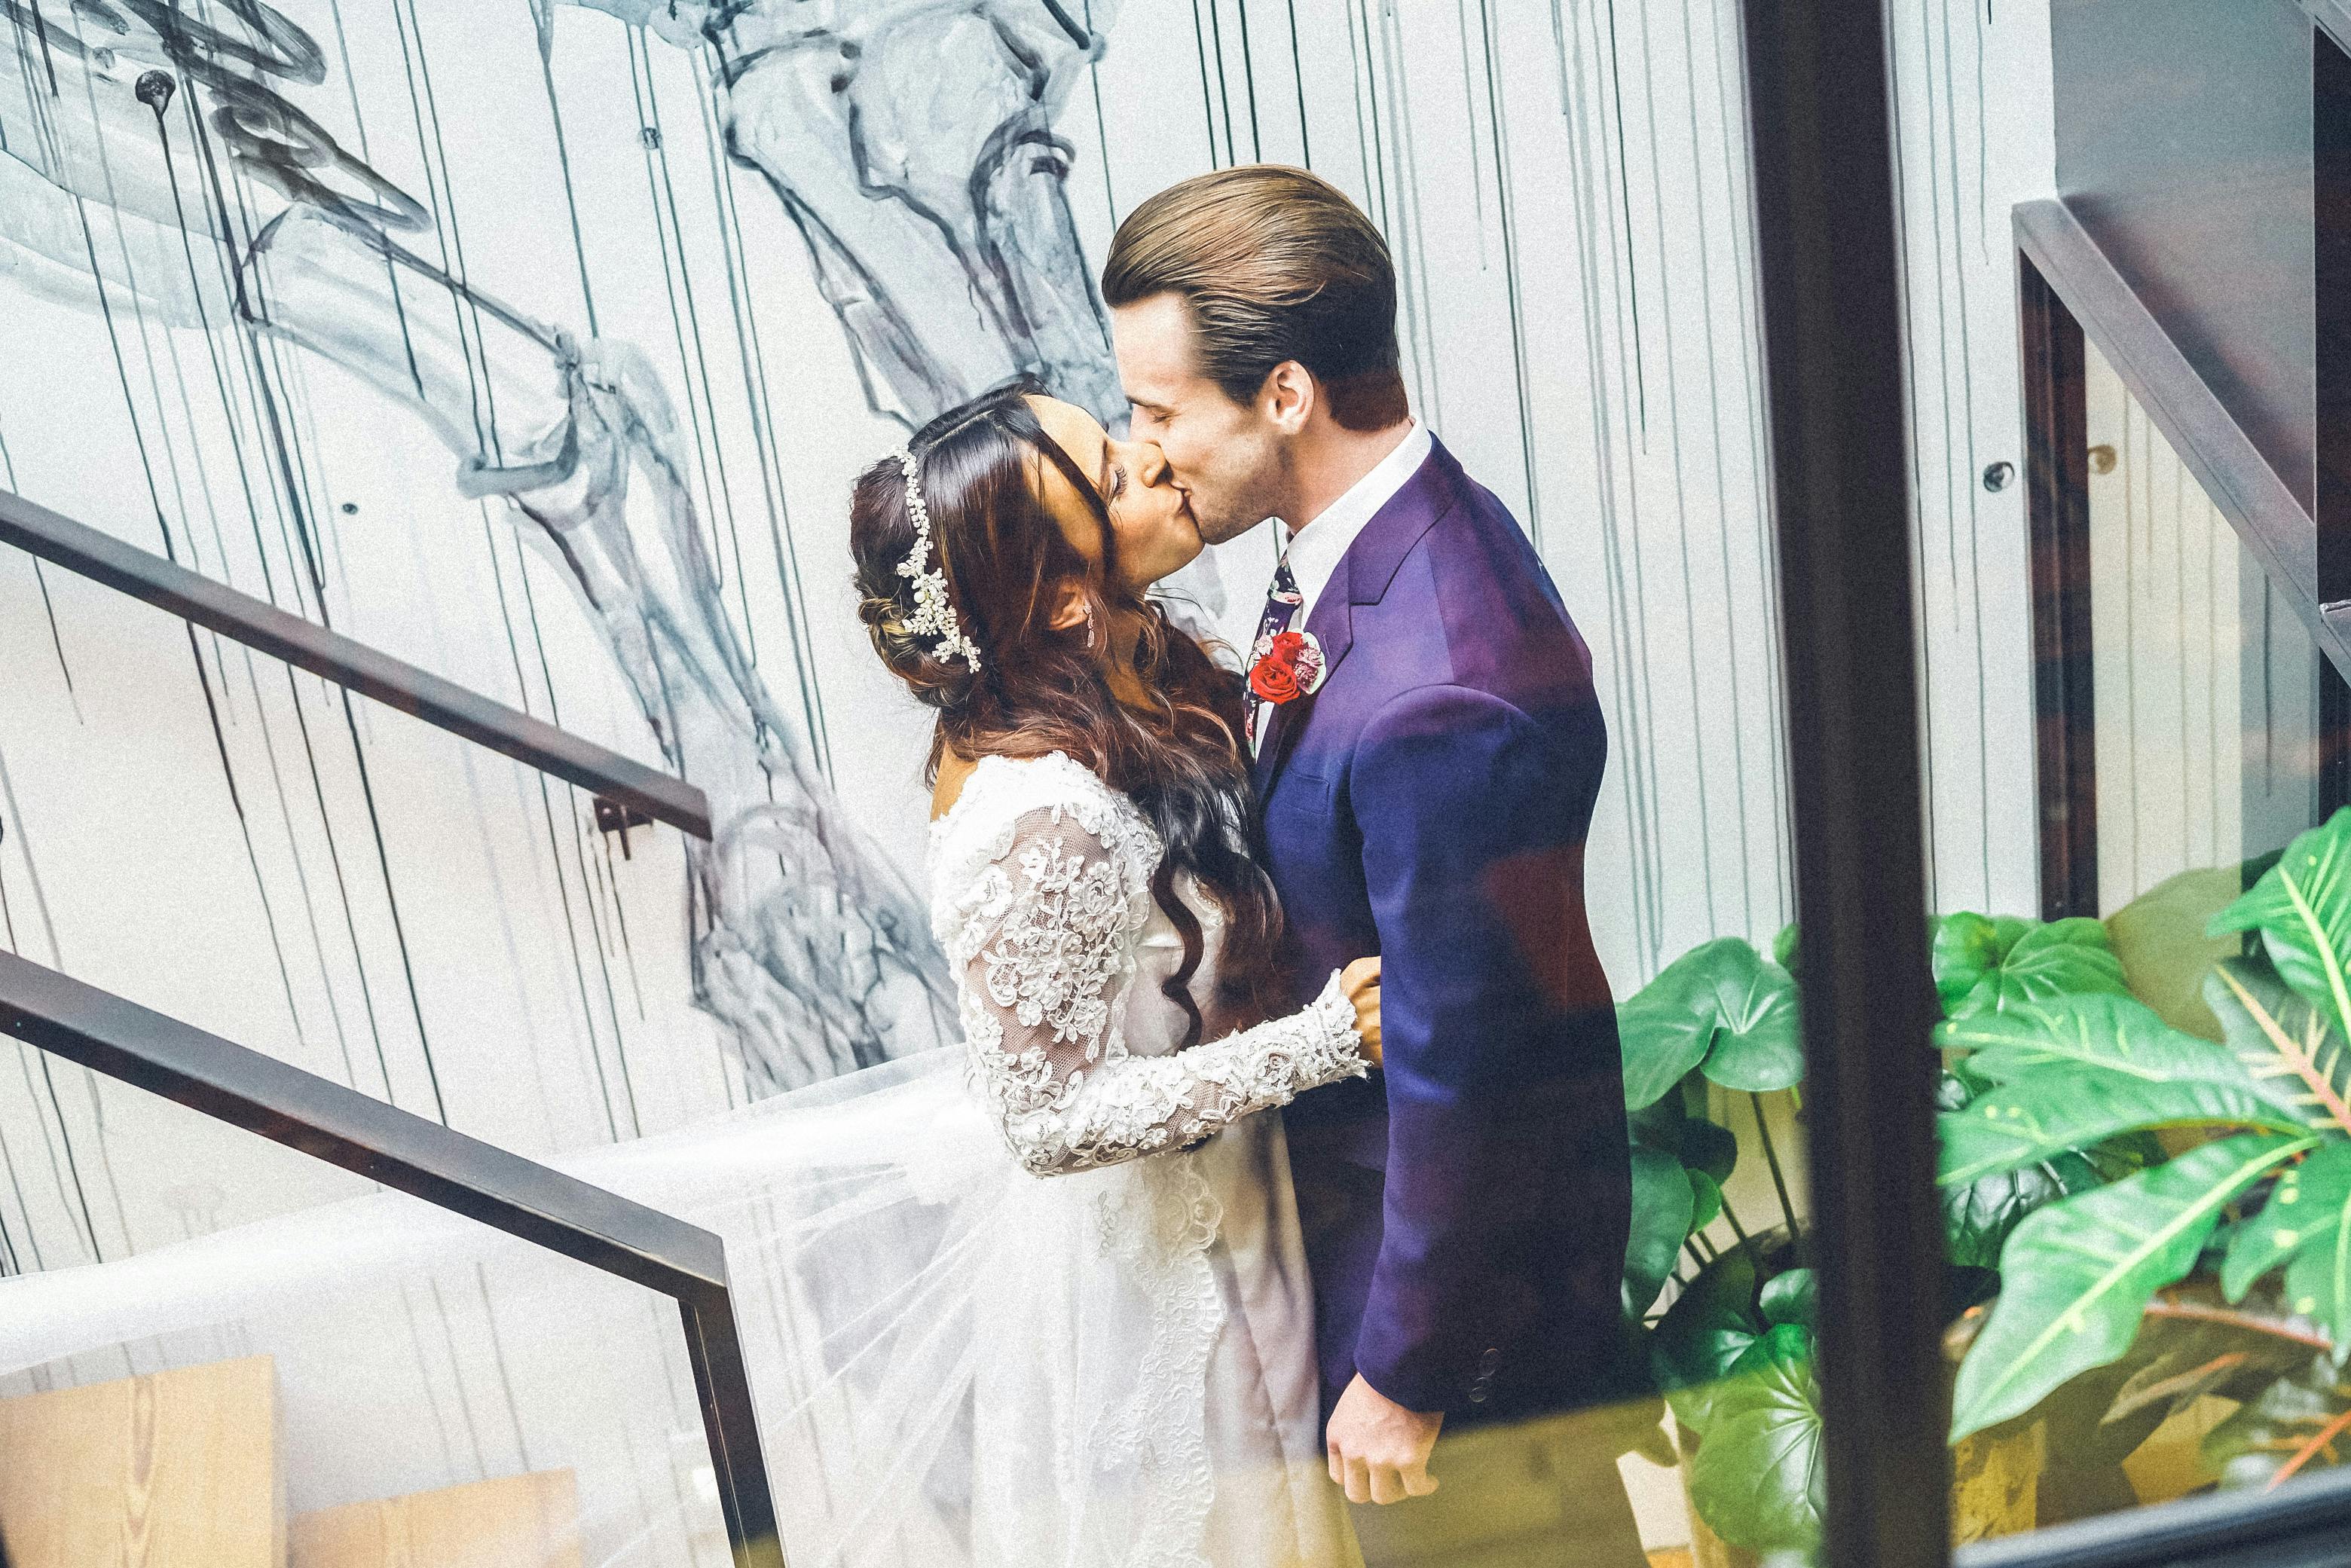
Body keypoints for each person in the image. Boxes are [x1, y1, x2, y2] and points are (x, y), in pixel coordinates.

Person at [1102, 165, 1647, 1567]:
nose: (1145, 450)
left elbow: (1473, 1053)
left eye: (1160, 412)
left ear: (1285, 394)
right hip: (1368, 1238)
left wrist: (1407, 1369)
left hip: (1454, 1312)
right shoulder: (1366, 550)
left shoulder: (1440, 684)